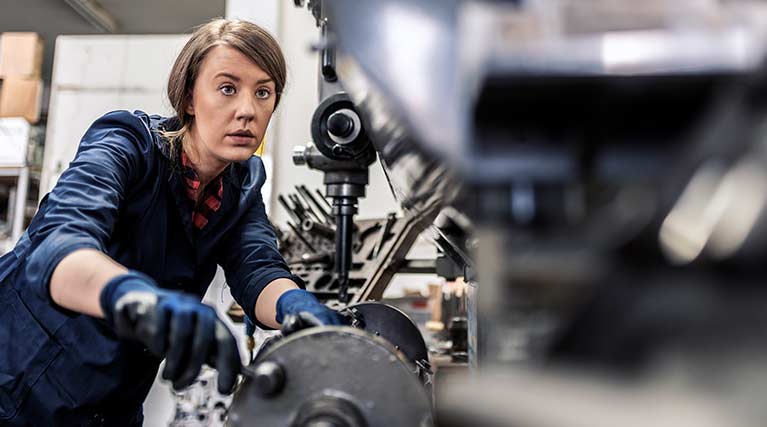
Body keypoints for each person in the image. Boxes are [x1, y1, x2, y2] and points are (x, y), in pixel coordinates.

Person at [0, 19, 341, 426]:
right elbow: (59, 248)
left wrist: (293, 307)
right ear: (190, 97)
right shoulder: (127, 144)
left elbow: (257, 267)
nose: (248, 110)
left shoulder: (242, 184)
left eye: (263, 92)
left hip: (110, 407)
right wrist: (141, 301)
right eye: (228, 88)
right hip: (18, 383)